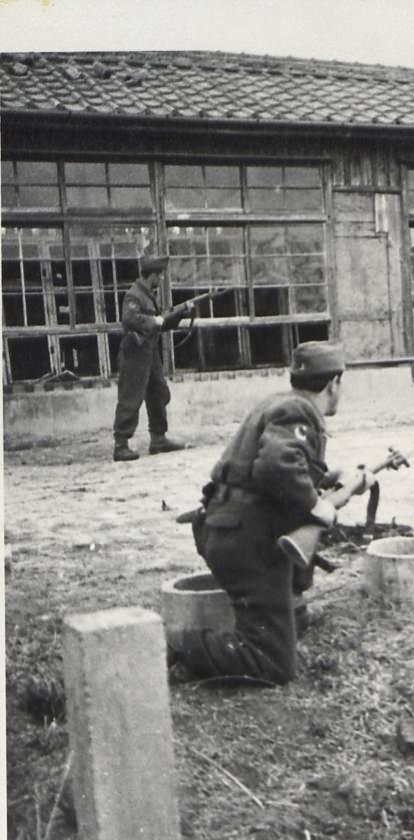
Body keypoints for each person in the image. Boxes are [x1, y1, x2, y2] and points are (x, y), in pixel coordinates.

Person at [175, 341, 374, 685]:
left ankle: (290, 611)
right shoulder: (300, 412)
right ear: (333, 384)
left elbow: (264, 470)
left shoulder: (278, 403)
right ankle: (178, 648)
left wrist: (335, 479)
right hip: (246, 541)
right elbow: (275, 465)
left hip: (226, 527)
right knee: (273, 663)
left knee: (287, 605)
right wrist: (318, 505)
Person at [112, 255, 190, 461]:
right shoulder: (134, 295)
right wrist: (154, 320)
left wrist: (180, 313)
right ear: (152, 275)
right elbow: (129, 319)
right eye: (160, 275)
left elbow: (160, 323)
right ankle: (121, 444)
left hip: (149, 352)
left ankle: (158, 439)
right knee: (130, 397)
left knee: (158, 392)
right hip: (135, 352)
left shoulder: (148, 295)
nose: (161, 279)